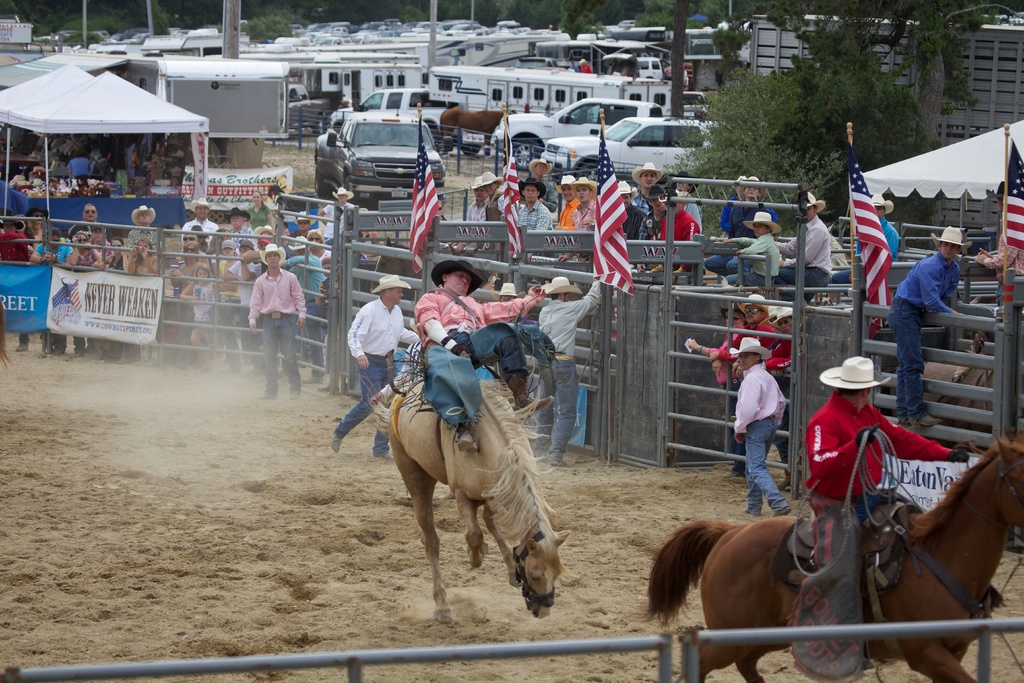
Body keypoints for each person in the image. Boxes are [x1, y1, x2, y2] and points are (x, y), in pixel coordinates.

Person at [806, 356, 968, 522]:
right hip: (838, 501)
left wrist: (946, 454)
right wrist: (854, 446)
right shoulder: (824, 420)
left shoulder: (868, 413)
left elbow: (902, 440)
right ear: (864, 391)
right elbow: (820, 464)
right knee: (846, 545)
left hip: (868, 494)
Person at [413, 259, 549, 449]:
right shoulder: (431, 297)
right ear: (445, 277)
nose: (465, 281)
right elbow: (430, 323)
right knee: (447, 371)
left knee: (507, 333)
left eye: (468, 279)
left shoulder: (473, 304)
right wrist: (451, 344)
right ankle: (461, 427)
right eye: (460, 276)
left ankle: (521, 395)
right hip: (441, 344)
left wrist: (530, 299)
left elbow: (502, 309)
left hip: (472, 340)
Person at [330, 274, 420, 458]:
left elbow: (398, 332)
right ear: (388, 292)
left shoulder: (395, 311)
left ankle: (380, 448)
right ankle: (340, 431)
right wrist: (360, 354)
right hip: (371, 361)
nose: (401, 294)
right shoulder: (368, 310)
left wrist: (422, 338)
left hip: (388, 361)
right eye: (399, 291)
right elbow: (354, 334)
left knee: (389, 402)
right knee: (368, 404)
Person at [888, 227, 967, 428]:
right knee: (912, 363)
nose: (949, 248)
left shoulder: (952, 269)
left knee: (907, 364)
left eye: (953, 246)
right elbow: (933, 300)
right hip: (906, 311)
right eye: (946, 244)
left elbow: (943, 294)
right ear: (940, 245)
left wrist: (941, 307)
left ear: (958, 249)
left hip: (908, 311)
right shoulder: (931, 266)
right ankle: (915, 412)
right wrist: (950, 313)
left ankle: (905, 412)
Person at [536, 276, 602, 465]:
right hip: (563, 363)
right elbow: (592, 299)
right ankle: (556, 454)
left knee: (545, 407)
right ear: (564, 295)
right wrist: (598, 279)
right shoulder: (570, 309)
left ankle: (540, 451)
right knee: (566, 411)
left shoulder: (544, 312)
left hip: (546, 363)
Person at [730, 337, 789, 517]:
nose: (743, 359)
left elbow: (748, 409)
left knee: (755, 467)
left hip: (757, 424)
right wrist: (775, 421)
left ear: (757, 357)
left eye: (747, 356)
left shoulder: (752, 379)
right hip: (769, 423)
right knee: (754, 465)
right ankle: (754, 505)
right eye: (742, 356)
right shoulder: (766, 376)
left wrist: (739, 427)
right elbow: (780, 402)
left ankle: (777, 502)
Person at [248, 244, 306, 400]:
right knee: (270, 357)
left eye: (275, 255)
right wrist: (252, 318)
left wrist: (302, 313)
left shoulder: (290, 278)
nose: (272, 258)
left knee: (289, 356)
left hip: (286, 318)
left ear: (279, 258)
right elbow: (255, 302)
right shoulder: (260, 281)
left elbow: (298, 297)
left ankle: (294, 389)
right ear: (266, 259)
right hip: (269, 320)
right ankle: (272, 390)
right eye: (270, 256)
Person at [706, 177, 778, 277]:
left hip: (754, 252)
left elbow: (762, 239)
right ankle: (736, 278)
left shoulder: (763, 212)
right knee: (709, 263)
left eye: (755, 188)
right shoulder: (735, 209)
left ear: (759, 193)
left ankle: (748, 278)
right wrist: (730, 248)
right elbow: (731, 232)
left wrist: (743, 252)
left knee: (732, 265)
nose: (751, 190)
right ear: (743, 191)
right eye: (748, 187)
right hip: (734, 250)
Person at [283, 236, 327, 383]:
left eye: (303, 250)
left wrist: (284, 263)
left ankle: (298, 351)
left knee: (298, 322)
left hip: (315, 303)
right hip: (308, 303)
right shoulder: (299, 266)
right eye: (298, 251)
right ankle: (318, 372)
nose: (301, 253)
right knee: (315, 339)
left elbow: (294, 265)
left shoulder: (314, 260)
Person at [831, 194, 901, 285]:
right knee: (835, 279)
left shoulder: (890, 232)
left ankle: (860, 296)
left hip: (884, 271)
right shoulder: (865, 229)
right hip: (865, 269)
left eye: (878, 208)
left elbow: (886, 258)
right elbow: (859, 253)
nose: (875, 211)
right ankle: (859, 297)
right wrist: (855, 271)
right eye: (873, 208)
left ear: (884, 211)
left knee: (840, 279)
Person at [774, 192, 832, 300]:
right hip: (814, 274)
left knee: (774, 273)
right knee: (802, 297)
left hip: (815, 273)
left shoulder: (816, 229)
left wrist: (785, 263)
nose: (804, 212)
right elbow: (790, 248)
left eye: (808, 209)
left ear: (815, 209)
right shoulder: (807, 226)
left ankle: (797, 306)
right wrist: (771, 244)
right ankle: (801, 309)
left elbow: (806, 258)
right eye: (802, 209)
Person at [724, 211, 781, 286]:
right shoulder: (765, 239)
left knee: (728, 280)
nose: (756, 229)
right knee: (733, 274)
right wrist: (734, 240)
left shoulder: (764, 241)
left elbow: (753, 250)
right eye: (755, 226)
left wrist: (743, 251)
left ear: (768, 228)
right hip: (764, 277)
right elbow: (751, 241)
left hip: (762, 278)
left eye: (760, 226)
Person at [178, 261, 216, 370]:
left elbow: (220, 291)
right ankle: (206, 362)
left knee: (210, 342)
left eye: (204, 274)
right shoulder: (194, 284)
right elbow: (182, 295)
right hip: (199, 315)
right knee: (194, 339)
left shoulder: (212, 284)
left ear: (208, 274)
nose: (202, 276)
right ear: (197, 275)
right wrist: (192, 298)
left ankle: (208, 363)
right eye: (200, 274)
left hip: (210, 314)